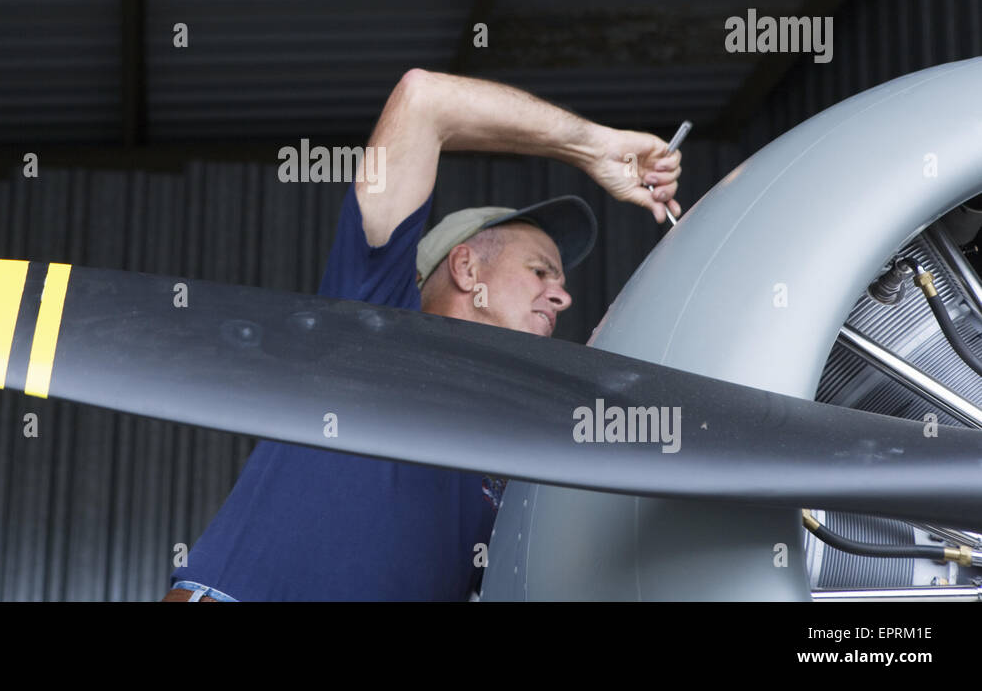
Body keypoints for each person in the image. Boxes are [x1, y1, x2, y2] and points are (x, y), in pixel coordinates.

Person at [161, 69, 683, 601]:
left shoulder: (516, 447)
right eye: (541, 271)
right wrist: (595, 147)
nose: (562, 295)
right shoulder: (371, 319)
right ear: (466, 269)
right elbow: (424, 99)